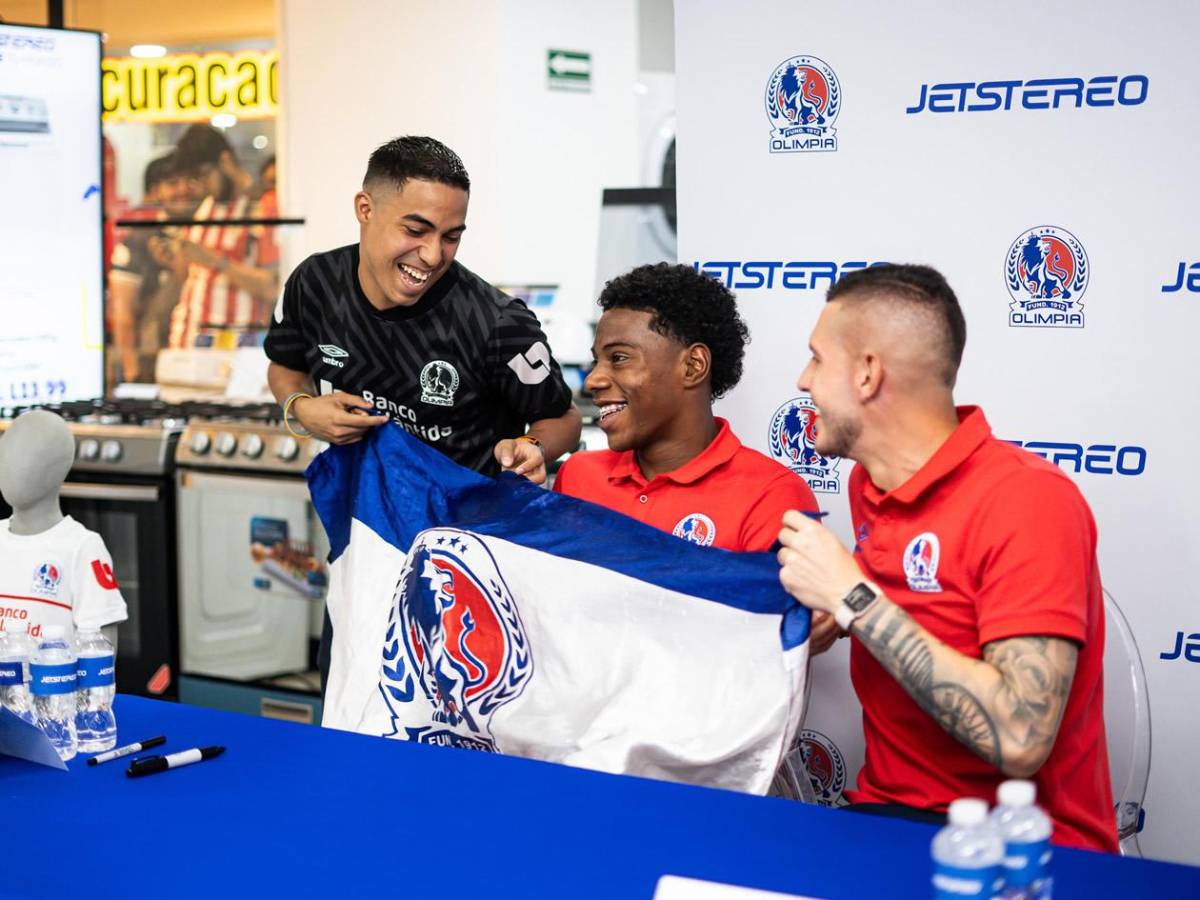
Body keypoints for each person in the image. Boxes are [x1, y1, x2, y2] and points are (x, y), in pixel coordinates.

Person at [774, 264, 1117, 851]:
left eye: (816, 359)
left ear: (866, 373)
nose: (803, 381)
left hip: (1023, 851)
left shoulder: (1027, 500)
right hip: (886, 822)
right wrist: (838, 619)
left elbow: (1020, 737)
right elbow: (935, 609)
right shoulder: (868, 485)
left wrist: (854, 601)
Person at [264, 135, 581, 686]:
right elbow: (284, 367)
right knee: (350, 721)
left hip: (471, 577)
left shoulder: (496, 322)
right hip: (363, 558)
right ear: (365, 209)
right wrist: (303, 409)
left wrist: (533, 448)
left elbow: (564, 419)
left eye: (451, 237)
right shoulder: (314, 285)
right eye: (415, 230)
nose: (432, 256)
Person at [553, 263, 837, 649]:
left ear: (692, 366)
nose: (593, 380)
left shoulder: (772, 498)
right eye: (597, 360)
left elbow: (767, 657)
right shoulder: (578, 476)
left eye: (618, 358)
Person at [160, 124, 281, 349]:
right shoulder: (207, 207)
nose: (201, 185)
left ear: (225, 161)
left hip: (233, 352)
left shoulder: (262, 206)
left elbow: (273, 287)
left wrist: (215, 261)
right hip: (187, 344)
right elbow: (192, 280)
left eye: (204, 175)